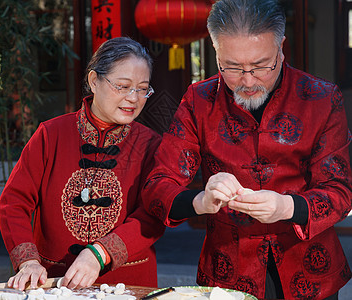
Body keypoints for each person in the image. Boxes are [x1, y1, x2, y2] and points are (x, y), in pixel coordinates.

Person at [142, 0, 352, 299]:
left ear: (281, 47)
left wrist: (286, 207)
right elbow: (157, 186)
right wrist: (202, 200)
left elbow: (339, 193)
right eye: (233, 67)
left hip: (308, 269)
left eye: (260, 66)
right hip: (227, 271)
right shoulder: (199, 101)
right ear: (216, 54)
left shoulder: (320, 99)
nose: (248, 80)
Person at [0, 36, 165, 291]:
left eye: (142, 89)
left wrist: (101, 253)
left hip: (129, 285)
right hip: (55, 283)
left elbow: (153, 215)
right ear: (94, 81)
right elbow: (14, 202)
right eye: (123, 86)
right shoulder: (51, 134)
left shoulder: (151, 145)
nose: (134, 98)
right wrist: (28, 261)